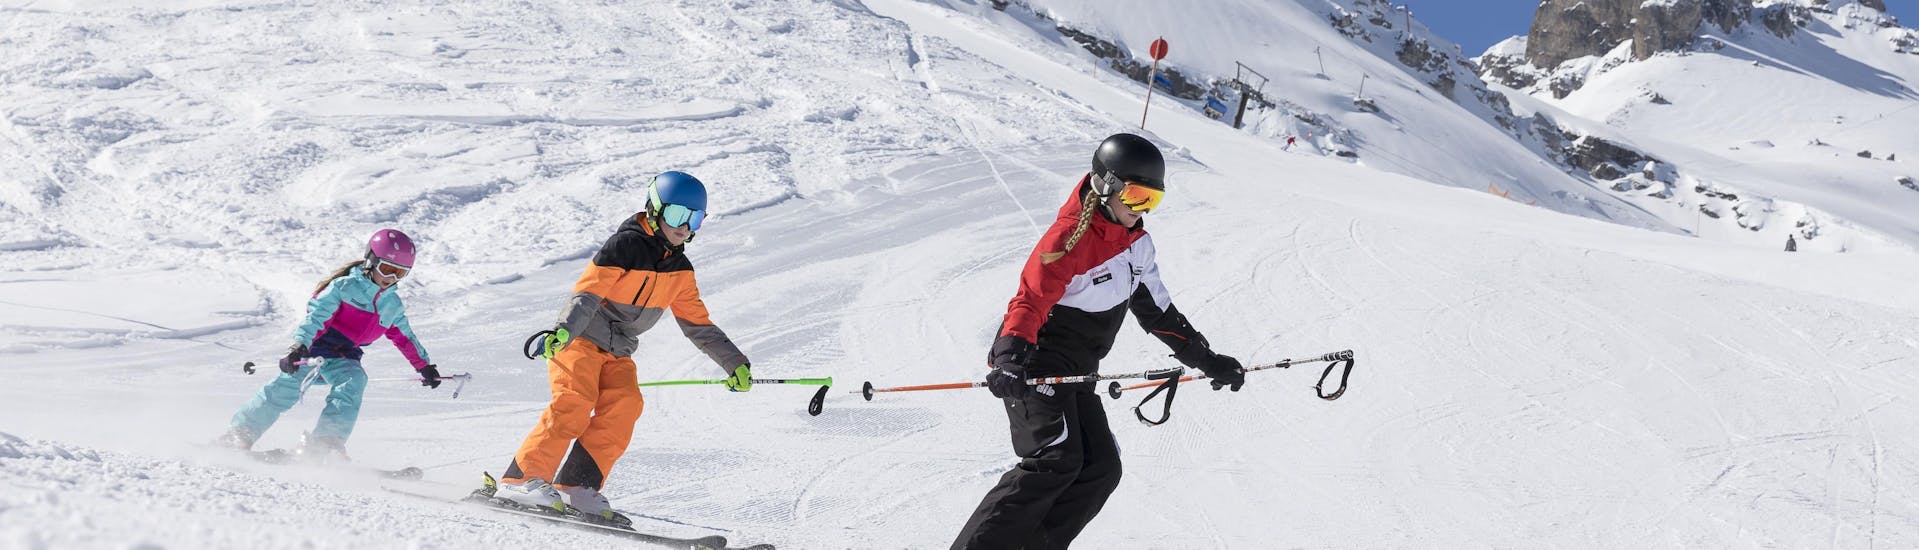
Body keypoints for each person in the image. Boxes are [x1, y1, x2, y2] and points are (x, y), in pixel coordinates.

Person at [953, 134, 1248, 549]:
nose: (1140, 210)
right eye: (1137, 196)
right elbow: (1029, 301)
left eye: (1152, 202)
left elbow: (1160, 314)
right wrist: (1008, 358)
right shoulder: (1068, 239)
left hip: (1078, 373)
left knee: (1100, 469)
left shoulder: (1136, 246)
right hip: (1034, 366)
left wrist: (1209, 360)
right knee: (1054, 461)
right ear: (1106, 185)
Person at [489, 171, 752, 525]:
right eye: (678, 215)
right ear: (655, 210)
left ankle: (576, 486)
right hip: (580, 338)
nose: (685, 227)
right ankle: (519, 481)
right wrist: (564, 332)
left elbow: (698, 324)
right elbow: (588, 293)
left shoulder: (680, 270)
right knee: (574, 403)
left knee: (626, 405)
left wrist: (734, 363)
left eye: (695, 219)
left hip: (619, 350)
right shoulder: (623, 247)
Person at [218, 229, 441, 460]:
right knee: (285, 388)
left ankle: (325, 442)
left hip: (345, 358)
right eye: (387, 269)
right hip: (315, 350)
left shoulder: (391, 304)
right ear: (371, 261)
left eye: (400, 273)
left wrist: (424, 366)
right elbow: (316, 317)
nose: (391, 278)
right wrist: (298, 346)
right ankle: (239, 434)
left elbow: (405, 337)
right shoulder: (343, 288)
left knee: (354, 381)